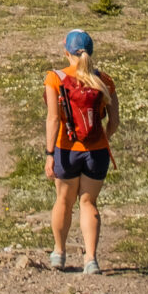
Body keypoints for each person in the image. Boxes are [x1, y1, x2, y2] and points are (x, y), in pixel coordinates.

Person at [43, 28, 118, 274]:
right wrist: (102, 140)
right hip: (96, 153)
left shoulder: (55, 78)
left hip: (66, 150)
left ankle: (59, 253)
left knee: (63, 201)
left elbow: (54, 119)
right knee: (89, 202)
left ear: (66, 52)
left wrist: (50, 154)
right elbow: (114, 121)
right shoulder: (105, 81)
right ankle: (91, 259)